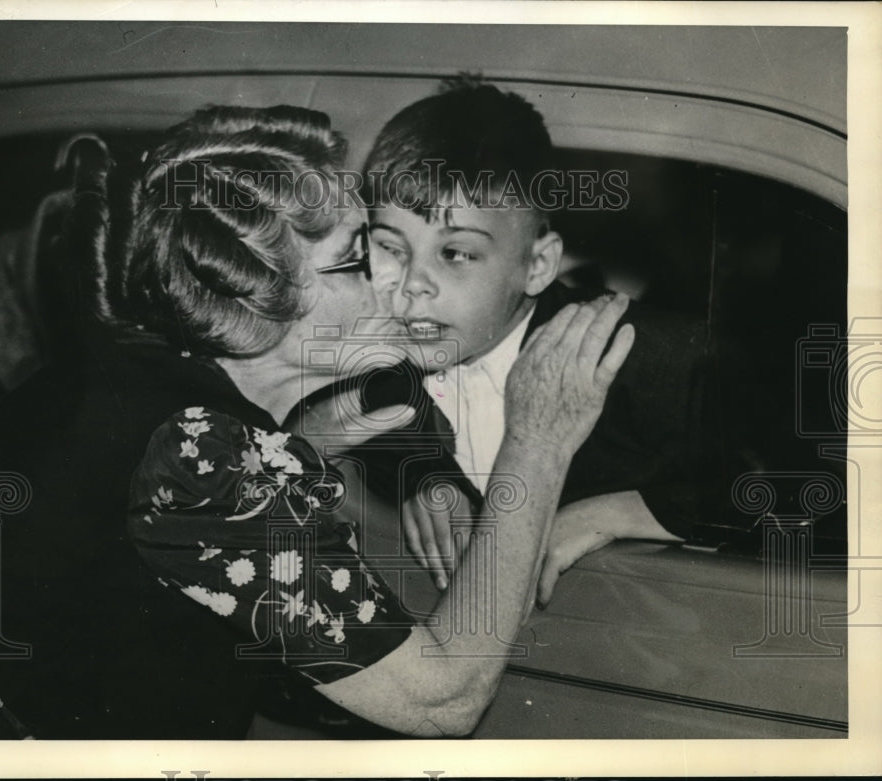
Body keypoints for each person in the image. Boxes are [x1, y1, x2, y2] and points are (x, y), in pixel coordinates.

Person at [119, 104, 636, 736]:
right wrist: (537, 439)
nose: (402, 284)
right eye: (363, 255)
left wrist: (309, 444)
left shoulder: (168, 393)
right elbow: (443, 702)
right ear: (262, 296)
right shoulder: (201, 454)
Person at [351, 79, 711, 601]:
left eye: (456, 253)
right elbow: (361, 410)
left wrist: (624, 511)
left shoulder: (646, 357)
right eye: (390, 246)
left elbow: (815, 482)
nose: (411, 284)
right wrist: (426, 474)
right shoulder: (371, 350)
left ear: (538, 265)